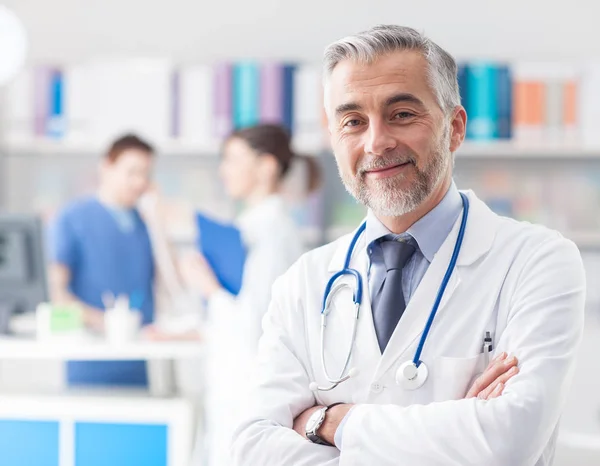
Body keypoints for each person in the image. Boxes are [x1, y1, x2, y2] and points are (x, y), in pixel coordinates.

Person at [231, 25, 586, 466]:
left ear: (454, 129)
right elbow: (251, 448)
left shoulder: (538, 262)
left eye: (401, 114)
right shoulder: (303, 282)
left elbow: (509, 442)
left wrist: (328, 423)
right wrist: (460, 426)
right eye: (353, 121)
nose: (376, 142)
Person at [179, 123, 321, 466]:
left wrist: (209, 288)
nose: (223, 170)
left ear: (266, 167)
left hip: (247, 391)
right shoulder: (252, 226)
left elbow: (255, 326)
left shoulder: (273, 234)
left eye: (232, 159)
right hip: (230, 388)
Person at [49, 134, 156, 386]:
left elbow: (169, 285)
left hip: (139, 358)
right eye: (132, 172)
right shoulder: (73, 217)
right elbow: (57, 292)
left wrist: (159, 220)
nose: (140, 182)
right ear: (106, 167)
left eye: (146, 174)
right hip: (91, 357)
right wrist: (108, 323)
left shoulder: (145, 223)